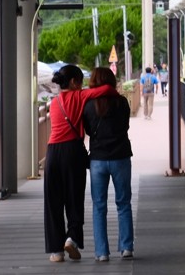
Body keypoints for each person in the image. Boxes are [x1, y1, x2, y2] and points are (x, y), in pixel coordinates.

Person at [44, 64, 118, 263]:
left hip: (52, 153)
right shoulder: (80, 96)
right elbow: (107, 89)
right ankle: (72, 238)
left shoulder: (54, 102)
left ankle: (56, 251)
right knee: (74, 198)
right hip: (72, 151)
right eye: (81, 82)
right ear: (74, 82)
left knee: (53, 202)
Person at [82, 68, 134, 262]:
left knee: (99, 206)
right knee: (123, 203)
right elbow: (125, 126)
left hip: (98, 159)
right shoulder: (122, 102)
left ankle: (102, 252)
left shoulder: (88, 105)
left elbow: (88, 130)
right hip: (121, 156)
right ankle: (126, 247)